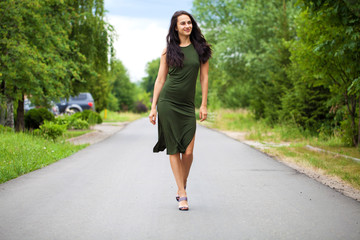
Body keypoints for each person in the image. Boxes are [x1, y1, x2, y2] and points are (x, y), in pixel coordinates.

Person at [149, 10, 211, 211]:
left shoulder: (201, 49)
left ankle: (181, 185)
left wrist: (203, 104)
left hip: (187, 106)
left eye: (189, 22)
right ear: (175, 27)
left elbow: (204, 78)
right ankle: (182, 193)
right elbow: (160, 80)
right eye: (182, 23)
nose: (187, 26)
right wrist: (153, 108)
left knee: (189, 150)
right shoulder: (168, 51)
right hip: (168, 102)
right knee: (174, 148)